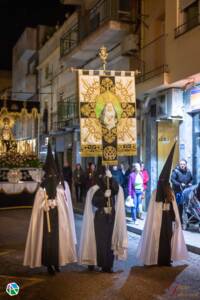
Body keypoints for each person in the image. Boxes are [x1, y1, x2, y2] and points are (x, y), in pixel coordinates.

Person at [23, 143, 77, 275]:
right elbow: (37, 206)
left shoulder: (60, 188)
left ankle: (58, 262)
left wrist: (57, 203)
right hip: (46, 220)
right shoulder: (42, 188)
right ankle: (49, 265)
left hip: (59, 220)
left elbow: (65, 205)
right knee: (48, 242)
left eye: (55, 174)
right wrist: (44, 205)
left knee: (59, 241)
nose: (53, 176)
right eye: (51, 174)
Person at [137, 143, 188, 266]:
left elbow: (174, 208)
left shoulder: (170, 192)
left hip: (167, 219)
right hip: (158, 220)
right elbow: (153, 209)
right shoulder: (156, 193)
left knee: (168, 238)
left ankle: (166, 259)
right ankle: (157, 258)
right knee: (158, 239)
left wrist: (175, 218)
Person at [79, 166, 128, 273]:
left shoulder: (113, 186)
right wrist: (104, 198)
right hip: (100, 217)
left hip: (111, 216)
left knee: (110, 241)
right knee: (101, 241)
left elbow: (117, 189)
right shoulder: (95, 188)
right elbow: (94, 202)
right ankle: (100, 262)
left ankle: (108, 265)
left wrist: (111, 179)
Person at [171, 159, 193, 224]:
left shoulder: (188, 171)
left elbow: (191, 179)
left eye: (184, 164)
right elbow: (172, 180)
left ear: (186, 165)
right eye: (181, 164)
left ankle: (189, 221)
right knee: (179, 207)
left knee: (188, 206)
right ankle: (179, 222)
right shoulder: (175, 171)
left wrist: (190, 183)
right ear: (179, 164)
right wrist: (179, 184)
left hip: (186, 192)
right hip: (178, 191)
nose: (182, 165)